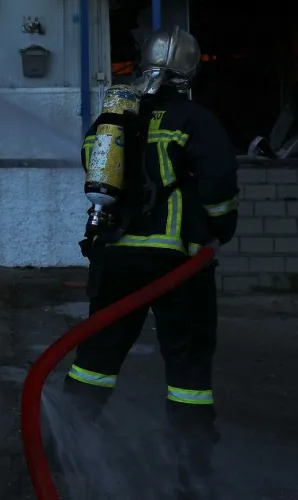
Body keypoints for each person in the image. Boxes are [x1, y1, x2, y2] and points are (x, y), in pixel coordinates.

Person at [67, 25, 240, 500]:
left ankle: (64, 444)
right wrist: (221, 229)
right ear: (190, 70)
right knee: (186, 363)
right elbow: (220, 182)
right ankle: (192, 467)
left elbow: (94, 167)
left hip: (114, 258)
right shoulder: (194, 118)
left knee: (97, 356)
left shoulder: (114, 119)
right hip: (176, 262)